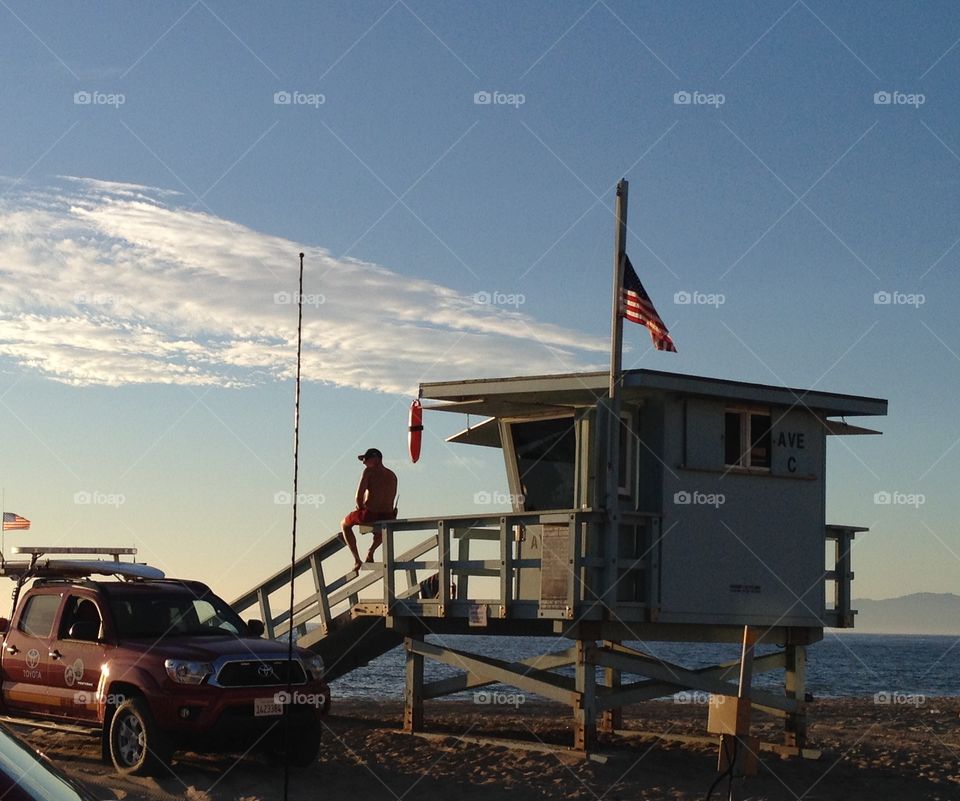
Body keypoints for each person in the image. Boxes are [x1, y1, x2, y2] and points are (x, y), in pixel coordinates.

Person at [339, 447, 398, 573]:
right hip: (388, 515)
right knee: (383, 529)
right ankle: (371, 551)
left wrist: (360, 507)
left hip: (370, 514)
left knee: (344, 524)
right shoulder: (392, 475)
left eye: (365, 459)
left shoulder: (369, 471)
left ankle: (357, 560)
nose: (363, 462)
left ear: (376, 458)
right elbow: (391, 498)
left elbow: (358, 496)